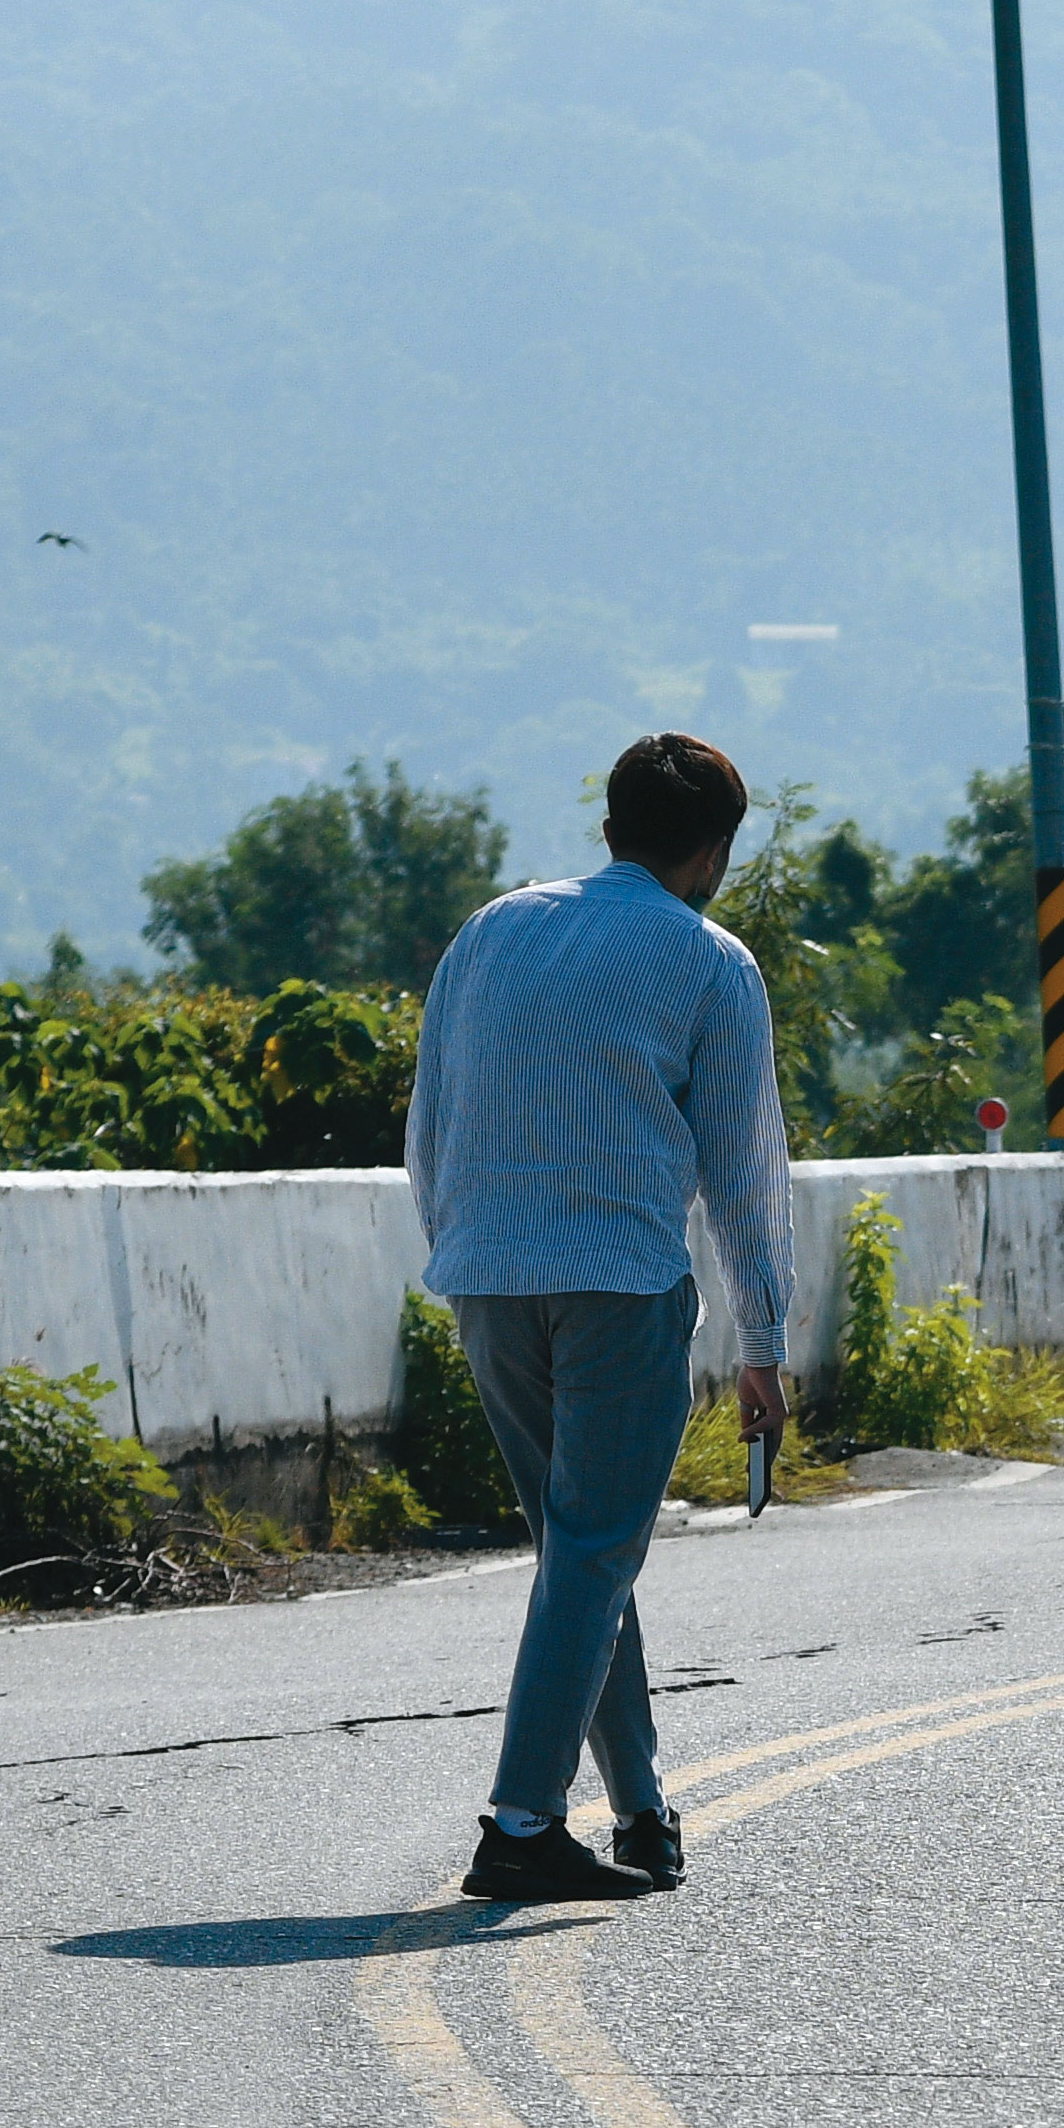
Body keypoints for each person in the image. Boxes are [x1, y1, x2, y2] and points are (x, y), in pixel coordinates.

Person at [408, 730, 796, 1906]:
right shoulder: (709, 960)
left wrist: (462, 1253)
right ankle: (522, 1821)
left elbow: (432, 1118)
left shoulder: (492, 930)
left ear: (612, 821)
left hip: (485, 1273)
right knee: (592, 1547)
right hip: (619, 1283)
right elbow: (745, 1172)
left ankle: (640, 1811)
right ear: (715, 849)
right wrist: (765, 1341)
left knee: (582, 1550)